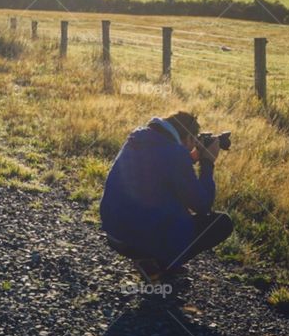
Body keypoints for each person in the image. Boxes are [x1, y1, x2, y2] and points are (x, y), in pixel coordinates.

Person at [99, 111, 233, 279]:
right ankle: (160, 266)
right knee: (222, 223)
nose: (193, 146)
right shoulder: (176, 154)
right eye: (193, 141)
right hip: (138, 240)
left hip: (115, 234)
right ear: (188, 137)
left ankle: (150, 259)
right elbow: (202, 205)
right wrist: (207, 162)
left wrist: (190, 158)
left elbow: (156, 167)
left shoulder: (138, 138)